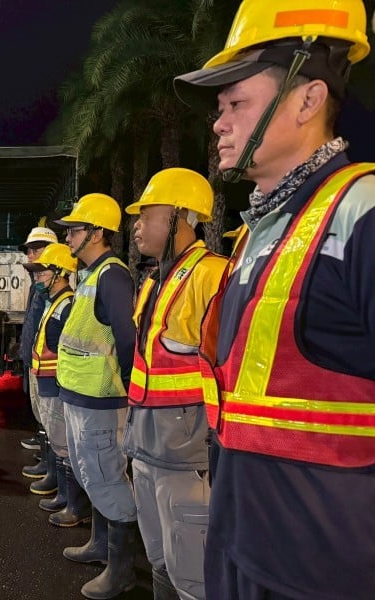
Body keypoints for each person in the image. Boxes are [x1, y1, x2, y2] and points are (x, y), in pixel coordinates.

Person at [174, 1, 375, 598]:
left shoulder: (358, 215)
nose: (219, 123)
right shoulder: (261, 232)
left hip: (322, 573)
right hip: (245, 554)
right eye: (220, 109)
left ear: (308, 99)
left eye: (237, 103)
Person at [122, 168, 228, 600]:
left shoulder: (214, 277)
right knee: (161, 560)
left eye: (147, 214)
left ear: (182, 217)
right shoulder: (154, 281)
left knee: (194, 577)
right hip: (146, 447)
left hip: (187, 459)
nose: (136, 225)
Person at [53, 193, 138, 599]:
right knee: (92, 475)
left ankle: (121, 571)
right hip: (79, 396)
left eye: (75, 229)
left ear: (98, 232)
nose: (68, 236)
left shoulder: (112, 276)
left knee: (107, 477)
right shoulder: (88, 276)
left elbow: (128, 339)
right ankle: (100, 545)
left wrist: (130, 392)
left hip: (102, 399)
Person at [22, 243, 76, 508]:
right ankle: (63, 493)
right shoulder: (52, 303)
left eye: (41, 273)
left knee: (64, 444)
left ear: (60, 273)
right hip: (47, 381)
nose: (37, 278)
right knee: (56, 439)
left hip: (57, 384)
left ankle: (70, 500)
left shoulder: (66, 305)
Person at [17, 225, 58, 480]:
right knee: (41, 414)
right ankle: (46, 459)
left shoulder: (55, 283)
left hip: (46, 365)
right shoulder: (38, 283)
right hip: (35, 359)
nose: (30, 254)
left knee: (50, 419)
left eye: (36, 249)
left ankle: (51, 469)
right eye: (29, 250)